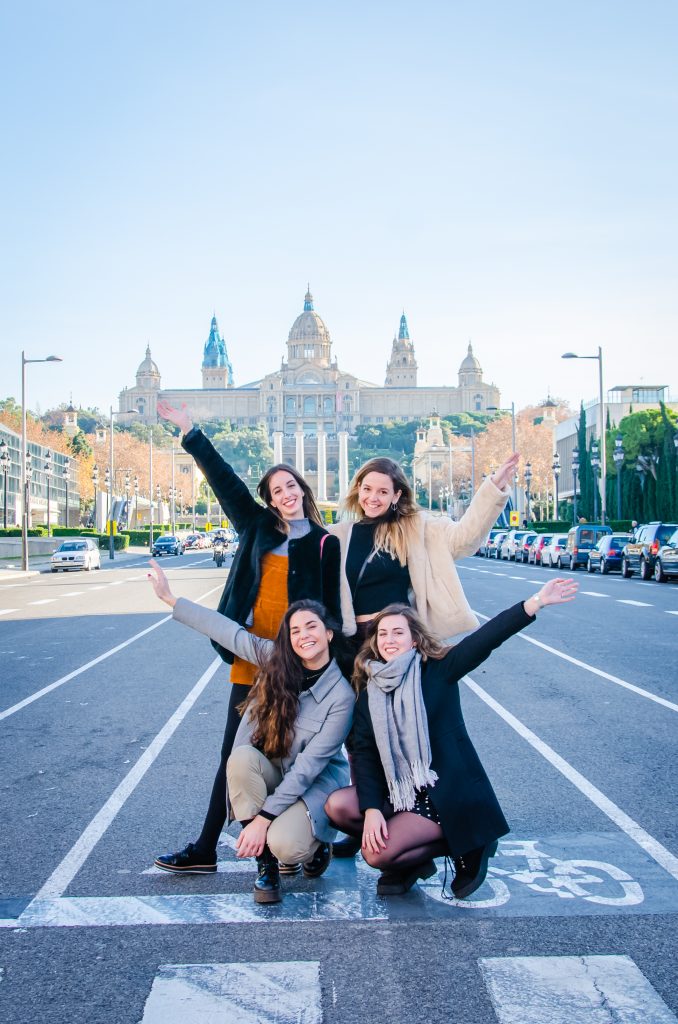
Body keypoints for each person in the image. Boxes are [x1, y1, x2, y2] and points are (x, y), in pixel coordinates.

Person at [153, 399, 341, 875]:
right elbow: (223, 480)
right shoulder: (255, 525)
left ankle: (305, 841)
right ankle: (205, 849)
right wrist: (190, 430)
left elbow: (332, 614)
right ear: (270, 498)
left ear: (303, 490)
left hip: (295, 664)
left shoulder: (324, 542)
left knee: (288, 750)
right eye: (277, 490)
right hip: (250, 655)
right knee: (234, 753)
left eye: (291, 486)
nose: (286, 494)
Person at [325, 576, 578, 898]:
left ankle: (470, 843)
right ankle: (412, 862)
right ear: (374, 641)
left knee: (377, 854)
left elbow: (486, 638)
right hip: (399, 793)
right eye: (382, 633)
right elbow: (363, 754)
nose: (389, 639)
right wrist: (373, 809)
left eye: (398, 632)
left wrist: (536, 602)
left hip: (441, 795)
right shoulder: (369, 688)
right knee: (337, 806)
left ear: (414, 640)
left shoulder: (438, 671)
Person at [327, 452, 517, 855]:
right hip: (352, 646)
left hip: (395, 641)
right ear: (357, 489)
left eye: (382, 491)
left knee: (417, 725)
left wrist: (493, 488)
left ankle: (444, 815)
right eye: (367, 489)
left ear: (397, 495)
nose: (373, 497)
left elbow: (464, 538)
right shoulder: (340, 534)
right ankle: (370, 814)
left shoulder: (416, 527)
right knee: (359, 733)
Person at [148, 560, 354, 903]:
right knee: (240, 758)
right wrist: (171, 599)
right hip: (276, 773)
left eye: (311, 627)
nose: (304, 636)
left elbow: (306, 772)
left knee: (288, 845)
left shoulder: (341, 696)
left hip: (314, 785)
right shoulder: (276, 661)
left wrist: (263, 820)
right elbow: (229, 631)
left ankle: (317, 847)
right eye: (295, 631)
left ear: (329, 632)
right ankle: (265, 867)